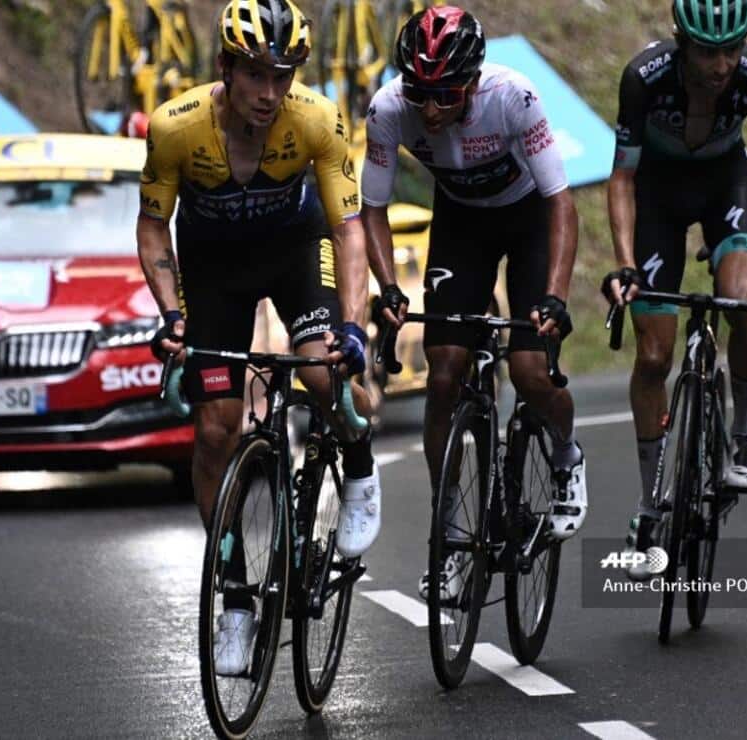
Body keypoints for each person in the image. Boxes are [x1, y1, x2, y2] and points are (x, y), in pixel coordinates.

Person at [136, 0, 382, 674]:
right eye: (255, 75)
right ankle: (237, 601)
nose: (270, 93)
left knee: (321, 371)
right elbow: (153, 226)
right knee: (216, 431)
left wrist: (353, 326)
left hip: (295, 254)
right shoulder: (175, 128)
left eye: (282, 76)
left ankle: (358, 458)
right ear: (225, 68)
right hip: (215, 271)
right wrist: (171, 314)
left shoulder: (317, 118)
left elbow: (348, 229)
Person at [360, 6, 587, 599]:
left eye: (446, 94)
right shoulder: (388, 110)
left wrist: (555, 297)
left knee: (531, 371)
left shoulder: (513, 98)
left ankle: (566, 453)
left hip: (528, 221)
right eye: (420, 92)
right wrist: (389, 287)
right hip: (461, 225)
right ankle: (448, 535)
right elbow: (372, 209)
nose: (431, 109)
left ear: (474, 80)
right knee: (443, 375)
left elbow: (561, 203)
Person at [602, 0, 747, 579]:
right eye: (709, 52)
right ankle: (649, 506)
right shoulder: (643, 77)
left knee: (742, 301)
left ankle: (742, 431)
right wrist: (624, 264)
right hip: (657, 194)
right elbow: (622, 178)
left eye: (732, 50)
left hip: (725, 184)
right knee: (653, 356)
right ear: (681, 42)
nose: (722, 65)